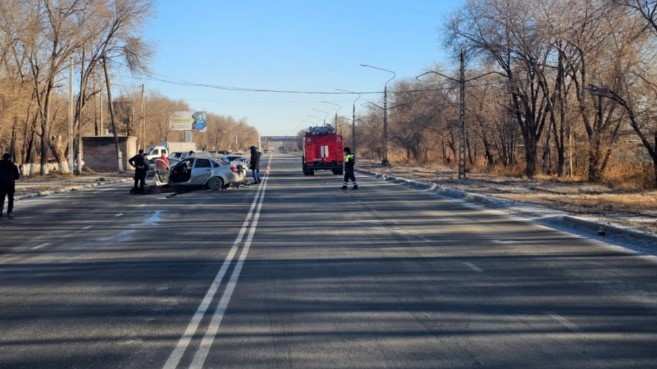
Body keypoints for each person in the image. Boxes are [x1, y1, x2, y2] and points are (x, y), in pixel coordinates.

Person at [0, 153, 20, 219]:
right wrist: (11, 177)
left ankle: (0, 212)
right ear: (10, 158)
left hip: (1, 185)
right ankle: (9, 212)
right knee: (10, 199)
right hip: (10, 185)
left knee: (1, 199)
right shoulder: (13, 166)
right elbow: (17, 177)